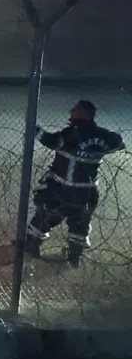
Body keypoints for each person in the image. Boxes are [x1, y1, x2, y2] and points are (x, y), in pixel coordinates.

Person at [25, 99, 125, 266]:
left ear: (84, 113)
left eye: (75, 109)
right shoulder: (104, 136)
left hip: (62, 189)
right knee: (79, 224)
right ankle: (74, 258)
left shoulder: (71, 134)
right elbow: (118, 144)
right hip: (87, 191)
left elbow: (51, 141)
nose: (71, 111)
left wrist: (34, 129)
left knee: (45, 217)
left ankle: (32, 246)